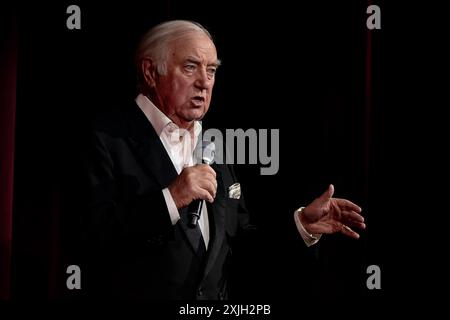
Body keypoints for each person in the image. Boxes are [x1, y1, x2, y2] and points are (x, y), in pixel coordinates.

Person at [82, 20, 365, 300]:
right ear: (151, 71)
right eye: (190, 67)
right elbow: (90, 239)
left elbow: (238, 245)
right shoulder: (104, 138)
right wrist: (171, 198)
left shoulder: (212, 146)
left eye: (212, 70)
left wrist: (302, 224)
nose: (204, 82)